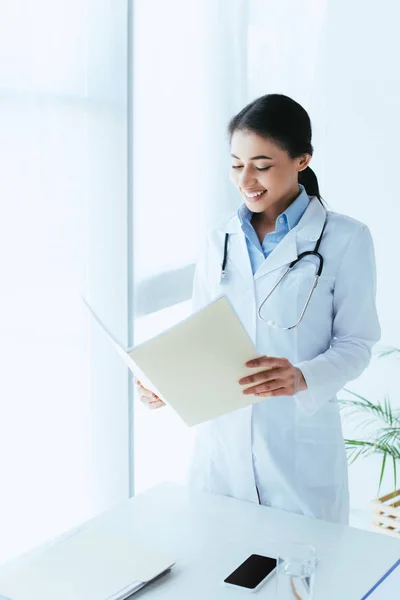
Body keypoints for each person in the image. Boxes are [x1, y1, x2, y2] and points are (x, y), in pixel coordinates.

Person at [137, 94, 381, 524]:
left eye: (262, 165)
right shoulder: (219, 236)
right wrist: (169, 383)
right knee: (218, 574)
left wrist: (302, 376)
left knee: (300, 582)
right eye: (236, 164)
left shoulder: (346, 239)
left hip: (298, 451)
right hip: (221, 450)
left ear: (301, 159)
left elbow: (358, 342)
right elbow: (203, 332)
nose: (245, 179)